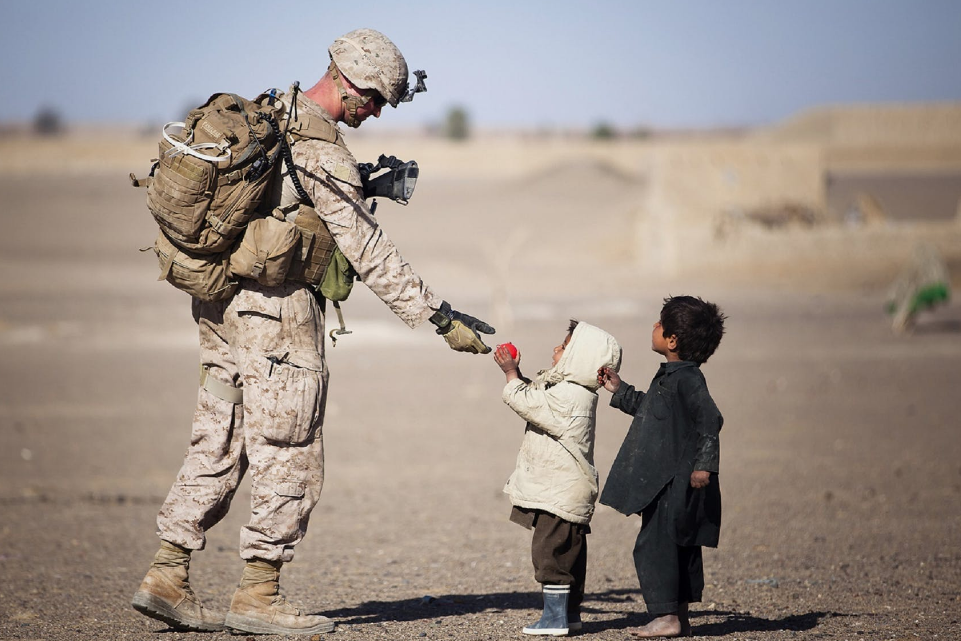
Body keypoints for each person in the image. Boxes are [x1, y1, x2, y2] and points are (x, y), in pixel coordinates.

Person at [131, 28, 495, 636]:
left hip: (221, 306)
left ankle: (167, 573)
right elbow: (369, 250)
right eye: (375, 100)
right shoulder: (322, 150)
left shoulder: (273, 114)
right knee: (290, 448)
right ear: (349, 82)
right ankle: (258, 595)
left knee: (218, 435)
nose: (375, 113)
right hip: (276, 315)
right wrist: (438, 316)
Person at [597, 296, 725, 638]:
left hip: (676, 481)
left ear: (672, 340)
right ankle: (677, 617)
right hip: (666, 480)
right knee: (675, 543)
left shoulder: (688, 380)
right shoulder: (671, 375)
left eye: (659, 323)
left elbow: (710, 419)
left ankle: (666, 617)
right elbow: (652, 410)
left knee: (656, 545)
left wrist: (704, 466)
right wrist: (619, 390)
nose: (653, 326)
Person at [493, 321, 623, 636]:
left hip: (560, 491)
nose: (556, 350)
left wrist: (511, 374)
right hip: (566, 489)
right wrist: (520, 375)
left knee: (550, 553)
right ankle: (570, 614)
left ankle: (554, 619)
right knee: (570, 554)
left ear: (580, 358)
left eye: (564, 347)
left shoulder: (570, 396)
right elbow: (538, 396)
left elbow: (527, 402)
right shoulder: (571, 391)